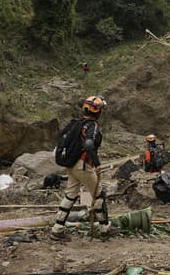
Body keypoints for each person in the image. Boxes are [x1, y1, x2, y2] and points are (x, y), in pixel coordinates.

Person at [50, 95, 114, 241]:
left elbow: (61, 136)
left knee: (70, 195)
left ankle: (57, 229)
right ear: (97, 111)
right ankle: (105, 229)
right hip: (83, 165)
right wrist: (97, 164)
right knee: (99, 195)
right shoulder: (92, 125)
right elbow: (89, 144)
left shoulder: (76, 123)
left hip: (71, 164)